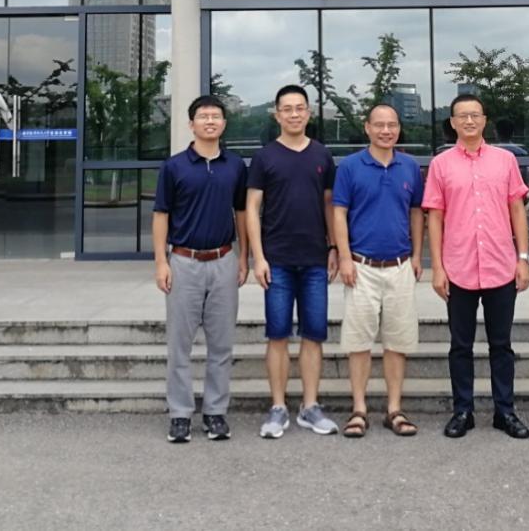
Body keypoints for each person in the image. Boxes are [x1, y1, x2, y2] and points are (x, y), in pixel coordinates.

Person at [423, 94, 529, 440]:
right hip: (459, 267)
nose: (469, 121)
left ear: (484, 120)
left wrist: (523, 259)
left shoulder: (505, 160)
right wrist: (437, 268)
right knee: (460, 345)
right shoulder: (441, 164)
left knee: (502, 344)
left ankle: (505, 411)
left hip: (501, 265)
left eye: (475, 115)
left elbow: (517, 210)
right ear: (453, 123)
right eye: (462, 116)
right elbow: (435, 217)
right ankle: (463, 411)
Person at [152, 95, 249, 443]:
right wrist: (161, 261)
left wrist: (243, 257)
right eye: (204, 116)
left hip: (223, 261)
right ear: (191, 124)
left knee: (221, 345)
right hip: (183, 262)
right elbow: (161, 215)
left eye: (216, 116)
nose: (210, 121)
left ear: (224, 124)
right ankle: (180, 414)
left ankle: (215, 413)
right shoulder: (174, 166)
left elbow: (242, 213)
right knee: (180, 346)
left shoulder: (235, 166)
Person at [246, 85, 338, 439]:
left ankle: (310, 406)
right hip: (277, 260)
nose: (294, 114)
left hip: (315, 259)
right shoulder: (265, 157)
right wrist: (258, 257)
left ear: (309, 113)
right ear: (277, 114)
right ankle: (278, 407)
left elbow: (329, 205)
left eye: (300, 108)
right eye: (288, 109)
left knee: (314, 335)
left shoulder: (321, 154)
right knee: (278, 335)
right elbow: (252, 209)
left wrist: (334, 247)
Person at [331, 103, 424, 438]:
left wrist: (417, 255)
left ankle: (394, 409)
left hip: (399, 265)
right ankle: (359, 410)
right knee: (359, 342)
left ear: (399, 128)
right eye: (380, 125)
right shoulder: (350, 167)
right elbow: (339, 213)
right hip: (361, 266)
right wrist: (344, 257)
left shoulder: (410, 167)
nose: (387, 131)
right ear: (367, 127)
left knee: (397, 341)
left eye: (392, 125)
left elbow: (416, 212)